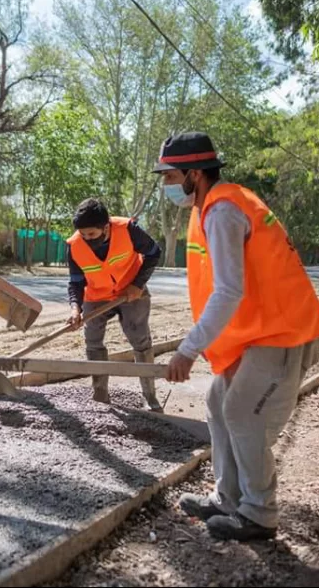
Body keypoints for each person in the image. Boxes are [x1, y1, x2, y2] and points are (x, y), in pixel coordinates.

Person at [155, 131, 319, 541]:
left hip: (282, 330)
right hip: (255, 332)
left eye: (170, 177)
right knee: (218, 402)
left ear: (194, 174)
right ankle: (227, 498)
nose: (166, 186)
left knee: (244, 413)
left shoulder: (224, 211)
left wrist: (188, 349)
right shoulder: (212, 205)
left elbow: (229, 290)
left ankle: (259, 512)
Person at [66, 198, 163, 411]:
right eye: (83, 235)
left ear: (106, 227)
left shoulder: (128, 230)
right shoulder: (74, 246)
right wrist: (75, 308)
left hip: (131, 293)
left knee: (140, 341)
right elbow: (75, 282)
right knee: (92, 342)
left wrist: (138, 285)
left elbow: (154, 252)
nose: (86, 239)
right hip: (96, 296)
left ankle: (150, 397)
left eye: (91, 234)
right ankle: (100, 396)